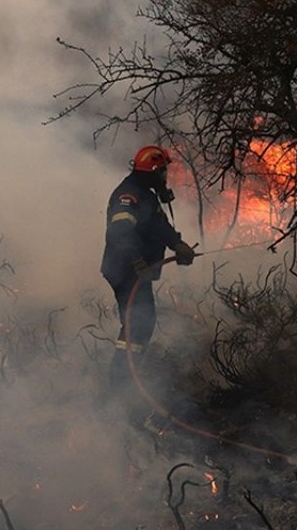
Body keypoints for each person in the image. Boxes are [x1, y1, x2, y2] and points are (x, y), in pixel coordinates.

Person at [100, 145, 196, 421]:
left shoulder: (147, 196)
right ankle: (120, 388)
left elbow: (157, 226)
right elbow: (119, 231)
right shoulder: (128, 196)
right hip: (125, 270)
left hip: (137, 271)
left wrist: (178, 245)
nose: (166, 175)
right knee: (137, 325)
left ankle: (127, 379)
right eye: (163, 170)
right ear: (154, 171)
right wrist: (136, 261)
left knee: (142, 324)